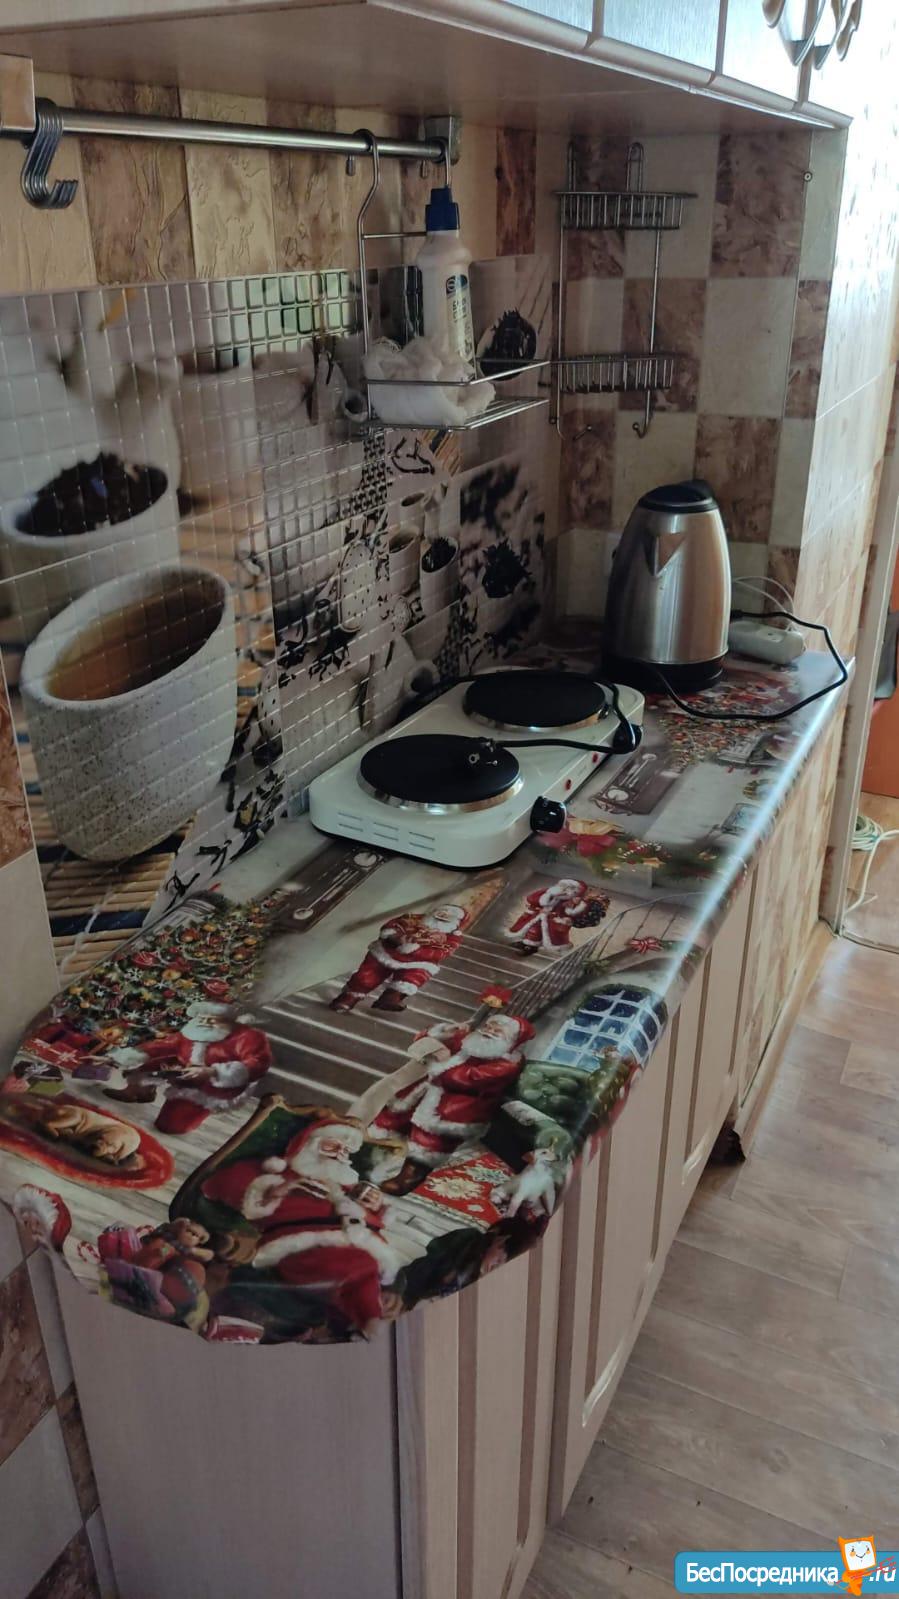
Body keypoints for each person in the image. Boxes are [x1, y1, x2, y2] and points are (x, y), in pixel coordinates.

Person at [201, 1114, 402, 1335]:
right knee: (351, 1267)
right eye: (332, 1146)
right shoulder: (278, 1174)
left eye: (345, 1151)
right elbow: (215, 1185)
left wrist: (374, 1208)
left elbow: (376, 1225)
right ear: (309, 1145)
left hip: (362, 1247)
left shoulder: (347, 1189)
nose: (339, 1154)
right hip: (302, 1246)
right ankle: (370, 1321)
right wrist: (277, 1189)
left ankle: (363, 1321)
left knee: (363, 1274)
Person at [370, 1011, 535, 1185]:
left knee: (427, 1145)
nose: (489, 1031)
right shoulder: (472, 1042)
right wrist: (446, 1031)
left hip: (456, 1109)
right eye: (488, 1026)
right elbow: (423, 1040)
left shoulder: (508, 1064)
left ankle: (408, 1178)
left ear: (512, 1040)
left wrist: (442, 1062)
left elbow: (463, 1080)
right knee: (392, 1123)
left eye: (497, 1030)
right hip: (425, 1093)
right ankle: (375, 1156)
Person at [105, 1000, 272, 1135]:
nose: (205, 1022)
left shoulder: (249, 1036)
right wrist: (115, 1056)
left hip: (212, 1086)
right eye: (202, 1017)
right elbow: (162, 1045)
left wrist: (213, 1072)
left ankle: (186, 1110)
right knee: (151, 1058)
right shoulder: (194, 1030)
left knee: (169, 1127)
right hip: (183, 1070)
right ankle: (139, 1091)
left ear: (228, 1021)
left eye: (213, 1019)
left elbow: (258, 1064)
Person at [331, 903, 466, 1013]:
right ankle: (348, 998)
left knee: (412, 979)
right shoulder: (412, 918)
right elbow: (391, 926)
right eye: (441, 914)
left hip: (417, 961)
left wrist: (416, 950)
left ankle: (391, 998)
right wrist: (394, 937)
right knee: (366, 977)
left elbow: (441, 953)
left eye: (447, 918)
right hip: (386, 951)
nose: (442, 918)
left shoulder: (452, 937)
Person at [504, 878, 591, 954]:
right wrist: (548, 893)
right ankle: (527, 943)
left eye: (567, 888)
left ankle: (530, 947)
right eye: (563, 887)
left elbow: (569, 912)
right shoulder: (550, 894)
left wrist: (555, 916)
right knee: (532, 929)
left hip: (552, 921)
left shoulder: (568, 902)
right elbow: (532, 899)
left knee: (545, 934)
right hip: (539, 915)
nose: (563, 890)